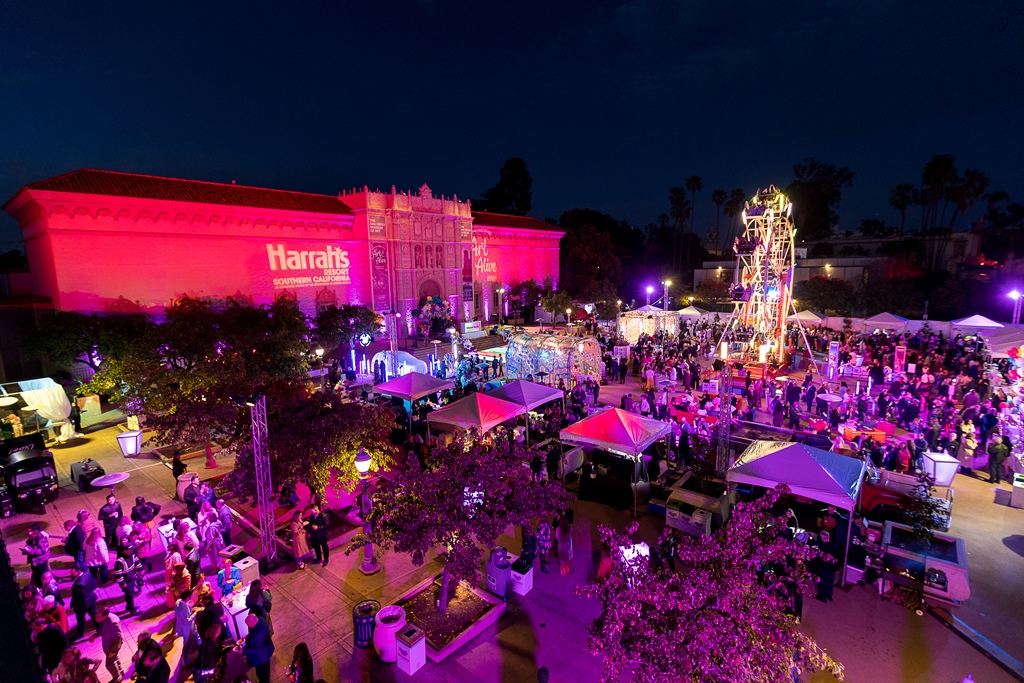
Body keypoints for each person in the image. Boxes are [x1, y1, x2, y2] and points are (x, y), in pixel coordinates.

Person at [242, 613, 275, 683]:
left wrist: (243, 651)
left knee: (262, 673)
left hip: (261, 656)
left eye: (248, 625)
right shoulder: (260, 619)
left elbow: (255, 648)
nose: (248, 626)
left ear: (252, 623)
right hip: (266, 650)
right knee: (265, 671)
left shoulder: (258, 634)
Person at [93, 605, 123, 682]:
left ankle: (117, 677)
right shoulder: (104, 620)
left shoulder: (112, 622)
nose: (96, 619)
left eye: (98, 617)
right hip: (109, 644)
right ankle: (120, 670)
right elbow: (103, 630)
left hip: (112, 647)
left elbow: (118, 636)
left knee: (109, 664)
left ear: (105, 615)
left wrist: (112, 651)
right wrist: (95, 635)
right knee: (114, 658)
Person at [69, 566, 98, 641]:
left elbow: (82, 595)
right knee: (94, 615)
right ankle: (99, 628)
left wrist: (74, 594)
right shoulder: (87, 574)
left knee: (80, 618)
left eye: (72, 573)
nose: (70, 574)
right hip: (91, 599)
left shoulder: (79, 584)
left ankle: (80, 633)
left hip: (82, 604)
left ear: (78, 572)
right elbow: (93, 583)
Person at [112, 541, 141, 616]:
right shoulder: (119, 562)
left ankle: (128, 606)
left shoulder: (132, 556)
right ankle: (132, 610)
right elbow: (118, 574)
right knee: (130, 595)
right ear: (125, 550)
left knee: (128, 595)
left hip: (132, 579)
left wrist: (140, 569)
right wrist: (123, 584)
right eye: (130, 549)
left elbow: (137, 563)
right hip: (126, 582)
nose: (131, 551)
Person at [22, 522, 51, 586]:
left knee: (42, 576)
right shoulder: (32, 538)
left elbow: (42, 551)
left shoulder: (41, 539)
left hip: (41, 561)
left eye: (30, 531)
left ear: (35, 531)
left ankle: (43, 588)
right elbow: (30, 546)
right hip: (34, 561)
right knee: (36, 576)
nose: (28, 532)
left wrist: (30, 551)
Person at [815, 531, 838, 603]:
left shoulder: (822, 547)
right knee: (830, 581)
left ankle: (823, 597)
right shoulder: (834, 545)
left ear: (822, 538)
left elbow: (820, 557)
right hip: (832, 566)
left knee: (823, 581)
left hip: (825, 566)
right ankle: (829, 595)